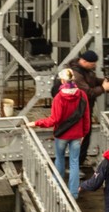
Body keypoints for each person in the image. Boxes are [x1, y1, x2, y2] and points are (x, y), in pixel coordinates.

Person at [32, 68, 90, 197]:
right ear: (73, 80)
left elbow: (54, 119)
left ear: (63, 80)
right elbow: (86, 117)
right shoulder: (82, 95)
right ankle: (73, 193)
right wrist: (84, 133)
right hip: (77, 135)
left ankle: (57, 186)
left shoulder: (59, 98)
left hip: (62, 135)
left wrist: (36, 123)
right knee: (74, 163)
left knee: (59, 159)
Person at [72, 49, 109, 169]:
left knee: (86, 136)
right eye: (93, 64)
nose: (95, 66)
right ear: (84, 61)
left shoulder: (85, 70)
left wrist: (103, 82)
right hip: (78, 111)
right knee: (82, 137)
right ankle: (76, 165)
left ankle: (80, 161)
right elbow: (88, 93)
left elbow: (92, 81)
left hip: (84, 110)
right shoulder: (76, 75)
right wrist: (104, 88)